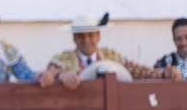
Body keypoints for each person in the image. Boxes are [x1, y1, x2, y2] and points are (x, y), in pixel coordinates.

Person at [39, 12, 180, 87]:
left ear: (98, 36)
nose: (86, 40)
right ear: (74, 38)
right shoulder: (62, 59)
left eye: (91, 35)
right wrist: (60, 76)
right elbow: (52, 71)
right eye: (81, 36)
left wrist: (162, 74)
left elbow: (138, 71)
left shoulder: (110, 56)